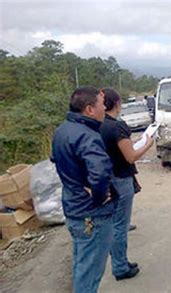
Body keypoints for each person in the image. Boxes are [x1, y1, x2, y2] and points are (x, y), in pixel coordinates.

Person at [51, 87, 116, 293]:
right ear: (89, 109)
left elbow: (56, 159)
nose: (104, 108)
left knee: (82, 267)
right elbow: (100, 173)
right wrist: (99, 198)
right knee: (90, 274)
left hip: (74, 209)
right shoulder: (88, 135)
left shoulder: (62, 130)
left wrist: (78, 182)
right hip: (91, 215)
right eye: (101, 104)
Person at [99, 88, 154, 281]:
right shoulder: (117, 126)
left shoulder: (99, 125)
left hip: (107, 178)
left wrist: (135, 141)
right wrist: (147, 144)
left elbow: (119, 148)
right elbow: (130, 157)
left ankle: (120, 260)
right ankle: (120, 267)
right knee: (120, 226)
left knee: (115, 223)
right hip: (121, 179)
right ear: (117, 104)